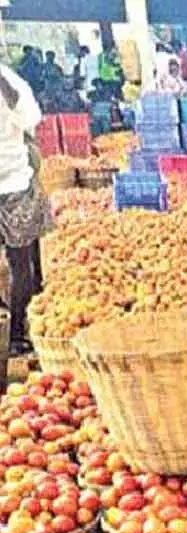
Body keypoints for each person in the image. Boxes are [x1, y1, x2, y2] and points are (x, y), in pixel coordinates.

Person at [0, 63, 50, 356]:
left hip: (14, 180)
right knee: (22, 264)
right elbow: (31, 118)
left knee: (20, 264)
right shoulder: (7, 80)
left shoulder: (7, 80)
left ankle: (14, 328)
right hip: (15, 183)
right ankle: (17, 333)